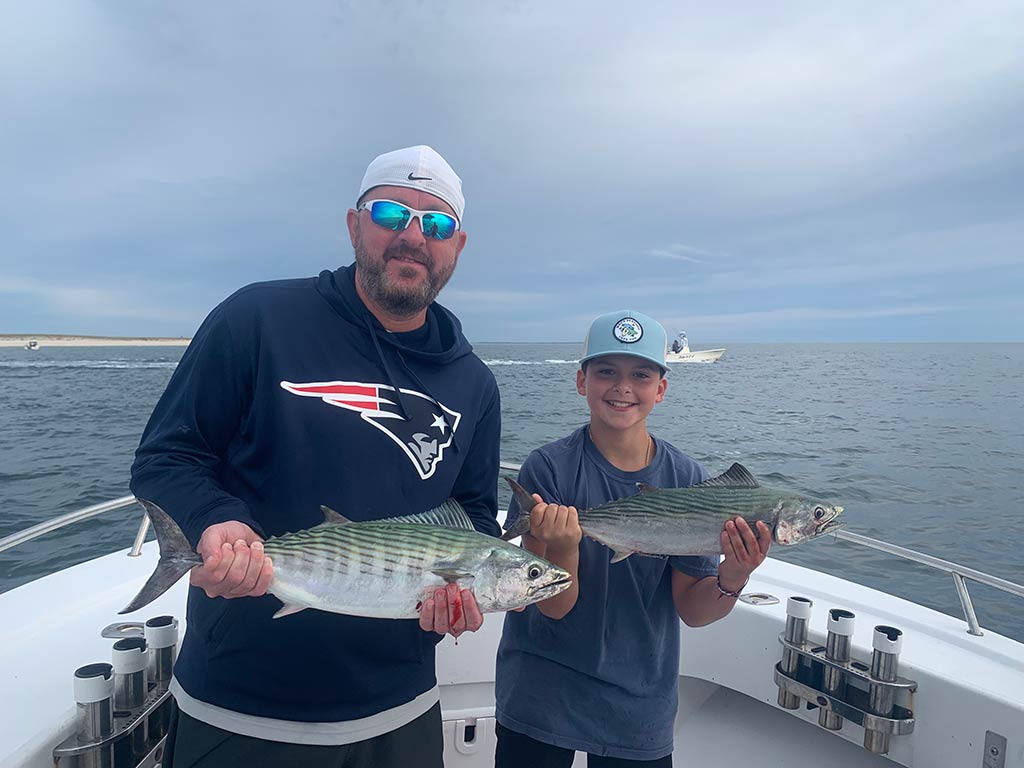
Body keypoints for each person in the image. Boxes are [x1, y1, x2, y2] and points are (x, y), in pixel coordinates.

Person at [130, 145, 502, 767]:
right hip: (240, 704)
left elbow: (474, 516)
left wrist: (465, 591)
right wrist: (212, 520)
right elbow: (168, 456)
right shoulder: (258, 318)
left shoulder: (475, 384)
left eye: (435, 224)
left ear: (456, 246)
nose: (413, 237)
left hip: (400, 710)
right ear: (354, 224)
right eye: (391, 213)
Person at [493, 310, 770, 767]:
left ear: (660, 389)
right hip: (541, 696)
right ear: (582, 381)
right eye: (606, 372)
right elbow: (553, 605)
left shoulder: (687, 479)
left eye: (640, 374)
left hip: (637, 707)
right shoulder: (549, 469)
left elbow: (693, 611)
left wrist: (733, 575)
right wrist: (563, 545)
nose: (622, 387)